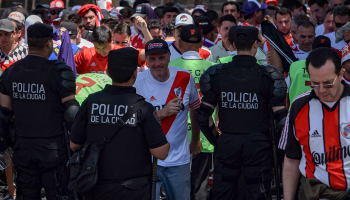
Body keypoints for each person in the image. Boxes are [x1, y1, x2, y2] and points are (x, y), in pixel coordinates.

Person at [195, 26, 287, 200]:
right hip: (259, 146)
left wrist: (218, 141)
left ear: (232, 44)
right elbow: (282, 120)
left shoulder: (217, 74)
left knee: (224, 194)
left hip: (228, 144)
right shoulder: (269, 76)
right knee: (256, 194)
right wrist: (277, 154)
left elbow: (203, 116)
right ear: (255, 44)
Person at [70, 47, 170, 200]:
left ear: (108, 72)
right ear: (135, 73)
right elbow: (161, 153)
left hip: (95, 185)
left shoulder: (91, 102)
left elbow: (74, 144)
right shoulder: (144, 108)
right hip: (134, 189)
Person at [0, 23, 77, 200]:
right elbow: (71, 112)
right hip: (54, 149)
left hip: (23, 149)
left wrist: (3, 146)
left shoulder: (11, 72)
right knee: (59, 195)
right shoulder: (60, 72)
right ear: (49, 43)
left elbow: (3, 113)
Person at [134, 39, 202, 200]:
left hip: (179, 160)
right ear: (147, 61)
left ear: (169, 56)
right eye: (152, 59)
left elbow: (196, 109)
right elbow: (132, 121)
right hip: (148, 160)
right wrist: (161, 113)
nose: (157, 63)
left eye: (161, 58)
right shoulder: (138, 81)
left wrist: (195, 140)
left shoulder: (185, 78)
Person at [283, 47, 350, 200]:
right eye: (314, 83)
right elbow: (292, 159)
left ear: (341, 74)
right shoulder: (299, 106)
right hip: (314, 193)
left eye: (327, 83)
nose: (321, 90)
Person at [168, 24, 215, 200]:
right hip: (205, 132)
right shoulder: (213, 67)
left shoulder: (170, 67)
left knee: (175, 186)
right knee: (201, 184)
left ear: (179, 42)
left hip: (176, 133)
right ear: (202, 43)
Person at [287, 35, 331, 107]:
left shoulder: (294, 66)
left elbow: (286, 93)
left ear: (311, 48)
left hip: (296, 112)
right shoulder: (333, 69)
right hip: (320, 112)